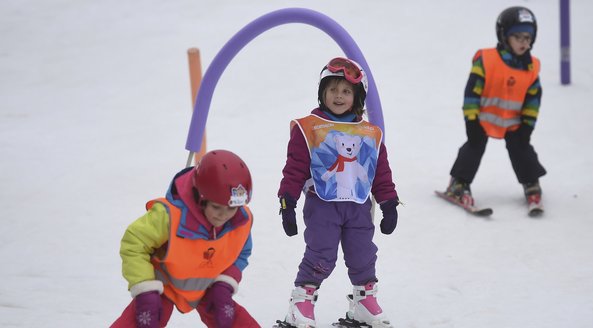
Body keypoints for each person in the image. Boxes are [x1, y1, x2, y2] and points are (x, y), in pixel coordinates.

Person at [277, 57, 399, 327]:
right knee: (321, 254)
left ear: (357, 96)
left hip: (359, 208)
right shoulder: (309, 128)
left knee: (363, 254)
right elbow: (295, 167)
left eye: (346, 91)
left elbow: (380, 170)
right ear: (322, 93)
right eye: (332, 89)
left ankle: (364, 301)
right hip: (323, 206)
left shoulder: (369, 132)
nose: (339, 96)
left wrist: (389, 202)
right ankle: (302, 301)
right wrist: (288, 202)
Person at [110, 150, 260, 328]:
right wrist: (145, 290)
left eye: (231, 208)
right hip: (164, 285)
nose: (223, 215)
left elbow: (242, 252)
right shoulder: (169, 216)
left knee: (234, 321)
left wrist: (224, 284)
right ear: (201, 197)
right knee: (141, 322)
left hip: (209, 287)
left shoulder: (241, 221)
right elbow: (134, 243)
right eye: (216, 207)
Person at [445, 6, 546, 210]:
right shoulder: (487, 60)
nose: (523, 43)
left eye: (528, 37)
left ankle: (531, 183)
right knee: (474, 146)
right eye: (518, 37)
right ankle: (459, 183)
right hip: (482, 119)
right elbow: (472, 92)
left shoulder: (532, 67)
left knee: (521, 148)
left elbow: (533, 100)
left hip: (514, 123)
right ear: (504, 36)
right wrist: (471, 120)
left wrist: (528, 125)